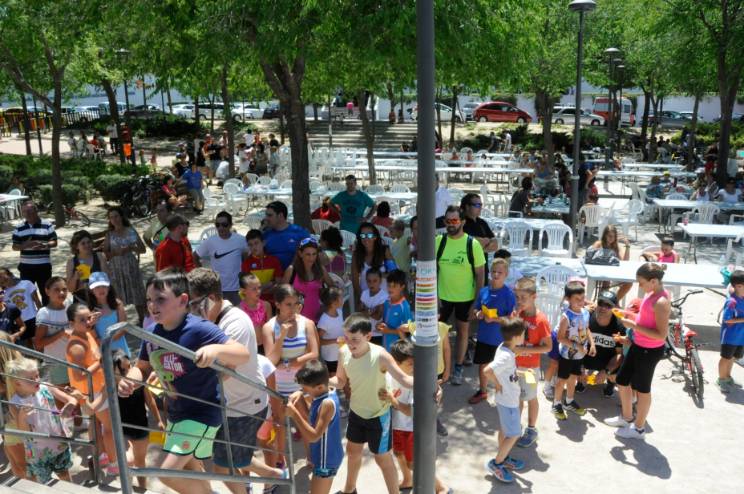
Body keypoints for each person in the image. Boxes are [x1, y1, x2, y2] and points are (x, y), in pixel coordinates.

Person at [117, 269, 251, 494]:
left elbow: (242, 353)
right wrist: (130, 380)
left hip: (202, 413)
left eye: (160, 299)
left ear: (182, 300)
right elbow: (142, 368)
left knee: (168, 473)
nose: (152, 305)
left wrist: (215, 349)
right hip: (176, 414)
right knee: (192, 469)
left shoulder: (199, 328)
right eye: (149, 300)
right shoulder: (151, 333)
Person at [187, 268, 286, 491]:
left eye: (194, 304)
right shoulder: (211, 319)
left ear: (212, 298)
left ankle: (273, 476)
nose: (191, 311)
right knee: (227, 456)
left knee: (223, 466)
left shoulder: (235, 323)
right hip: (228, 403)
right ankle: (275, 475)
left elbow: (224, 371)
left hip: (245, 405)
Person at [330, 313, 414, 494]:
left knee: (382, 459)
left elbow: (405, 379)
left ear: (368, 336)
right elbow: (341, 381)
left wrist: (431, 385)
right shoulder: (343, 352)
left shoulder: (380, 355)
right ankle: (349, 489)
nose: (349, 343)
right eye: (346, 338)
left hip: (379, 416)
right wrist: (324, 380)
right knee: (353, 453)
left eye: (355, 339)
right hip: (356, 413)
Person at [605, 263, 671, 439]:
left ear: (653, 281)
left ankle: (639, 429)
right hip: (638, 345)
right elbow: (646, 319)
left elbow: (661, 335)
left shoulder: (662, 302)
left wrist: (634, 326)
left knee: (642, 390)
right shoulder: (650, 294)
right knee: (622, 380)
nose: (639, 286)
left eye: (641, 283)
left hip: (649, 351)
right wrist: (628, 315)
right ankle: (627, 418)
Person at [379, 339, 451, 494]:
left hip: (411, 428)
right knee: (399, 454)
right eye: (410, 364)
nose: (415, 367)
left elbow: (413, 412)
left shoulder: (416, 383)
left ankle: (441, 487)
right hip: (396, 426)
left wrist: (393, 401)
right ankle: (407, 480)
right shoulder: (388, 376)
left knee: (416, 463)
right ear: (395, 364)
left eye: (415, 363)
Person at [64, 302, 119, 475]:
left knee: (95, 424)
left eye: (89, 318)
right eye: (82, 320)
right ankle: (114, 463)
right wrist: (101, 361)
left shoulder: (85, 332)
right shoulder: (77, 347)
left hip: (92, 389)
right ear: (72, 323)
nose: (88, 322)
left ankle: (101, 455)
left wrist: (90, 321)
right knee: (109, 428)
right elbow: (79, 375)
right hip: (93, 391)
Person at [436, 205, 486, 385]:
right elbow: (431, 270)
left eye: (455, 220)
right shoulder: (438, 241)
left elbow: (480, 275)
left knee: (462, 332)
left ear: (463, 222)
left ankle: (457, 367)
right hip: (442, 298)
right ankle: (440, 368)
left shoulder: (472, 244)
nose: (451, 224)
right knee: (438, 333)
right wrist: (434, 297)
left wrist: (476, 302)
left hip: (466, 298)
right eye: (447, 220)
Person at [7, 358, 77, 483]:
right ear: (18, 383)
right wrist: (22, 416)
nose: (36, 380)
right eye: (31, 379)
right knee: (45, 483)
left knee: (65, 475)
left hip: (58, 443)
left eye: (37, 375)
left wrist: (70, 405)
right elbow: (23, 431)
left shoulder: (46, 387)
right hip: (37, 452)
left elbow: (71, 399)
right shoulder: (14, 403)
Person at [285, 359, 343, 494]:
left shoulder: (327, 404)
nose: (304, 391)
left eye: (305, 389)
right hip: (323, 457)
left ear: (320, 387)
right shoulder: (322, 394)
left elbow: (314, 436)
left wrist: (295, 414)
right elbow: (312, 419)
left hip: (326, 461)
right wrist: (300, 398)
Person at [483, 317, 527, 484]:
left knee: (505, 430)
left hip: (507, 400)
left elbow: (505, 371)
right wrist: (497, 383)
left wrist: (519, 373)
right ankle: (496, 463)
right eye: (523, 334)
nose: (524, 336)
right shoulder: (507, 356)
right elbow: (488, 370)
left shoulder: (504, 347)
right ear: (516, 337)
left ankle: (504, 456)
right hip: (508, 401)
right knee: (514, 434)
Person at [112, 350, 163, 489]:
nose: (129, 372)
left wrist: (159, 420)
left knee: (140, 461)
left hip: (140, 427)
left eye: (130, 366)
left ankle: (142, 487)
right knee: (127, 460)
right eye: (123, 370)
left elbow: (150, 401)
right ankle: (127, 486)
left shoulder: (138, 381)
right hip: (121, 429)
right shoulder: (110, 387)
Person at [469, 258, 517, 404]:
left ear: (506, 274)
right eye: (494, 271)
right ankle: (482, 391)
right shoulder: (484, 291)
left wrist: (494, 319)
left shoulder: (509, 294)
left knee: (500, 369)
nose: (496, 274)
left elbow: (512, 319)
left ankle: (501, 394)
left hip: (500, 339)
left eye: (500, 272)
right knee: (483, 365)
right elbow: (476, 309)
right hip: (484, 337)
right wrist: (478, 313)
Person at [512, 278, 551, 448]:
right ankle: (516, 426)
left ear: (534, 297)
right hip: (515, 366)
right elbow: (511, 337)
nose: (519, 301)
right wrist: (513, 320)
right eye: (517, 297)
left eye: (523, 298)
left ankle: (532, 429)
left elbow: (548, 347)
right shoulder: (518, 314)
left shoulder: (541, 320)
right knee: (517, 397)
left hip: (530, 369)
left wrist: (523, 350)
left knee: (530, 397)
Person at [552, 281, 595, 420]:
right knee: (561, 380)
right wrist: (577, 347)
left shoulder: (585, 312)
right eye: (577, 299)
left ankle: (569, 401)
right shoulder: (566, 317)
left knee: (573, 378)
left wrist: (592, 344)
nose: (581, 302)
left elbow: (587, 329)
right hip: (567, 355)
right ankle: (556, 404)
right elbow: (560, 338)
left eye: (582, 298)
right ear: (568, 299)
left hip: (580, 355)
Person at [194, 211, 250, 305]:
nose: (220, 228)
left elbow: (247, 257)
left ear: (230, 225)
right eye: (218, 225)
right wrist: (203, 275)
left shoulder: (241, 240)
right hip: (217, 289)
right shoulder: (210, 241)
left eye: (224, 224)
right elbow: (195, 256)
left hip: (237, 289)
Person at [103, 207, 147, 323]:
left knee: (137, 294)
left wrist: (131, 248)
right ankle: (120, 321)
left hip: (131, 266)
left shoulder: (131, 231)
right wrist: (115, 253)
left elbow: (143, 249)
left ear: (121, 216)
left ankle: (142, 320)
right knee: (117, 296)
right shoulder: (109, 234)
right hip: (116, 268)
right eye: (111, 217)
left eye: (116, 216)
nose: (114, 219)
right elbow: (105, 254)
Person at [12, 201, 57, 305]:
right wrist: (25, 245)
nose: (27, 213)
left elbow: (54, 242)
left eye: (30, 210)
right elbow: (14, 247)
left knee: (46, 293)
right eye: (24, 211)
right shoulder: (19, 227)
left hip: (43, 267)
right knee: (27, 294)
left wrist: (46, 245)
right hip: (26, 267)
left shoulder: (47, 224)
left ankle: (47, 312)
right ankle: (32, 313)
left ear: (36, 211)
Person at [583, 290, 626, 397]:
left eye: (608, 305)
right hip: (587, 357)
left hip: (607, 361)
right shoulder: (586, 316)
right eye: (601, 303)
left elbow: (619, 355)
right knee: (571, 360)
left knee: (621, 367)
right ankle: (581, 380)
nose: (603, 307)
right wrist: (579, 367)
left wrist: (606, 371)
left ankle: (610, 384)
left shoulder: (619, 326)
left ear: (614, 307)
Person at [283, 238, 335, 323]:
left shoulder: (320, 269)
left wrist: (326, 306)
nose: (311, 258)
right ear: (300, 254)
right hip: (295, 321)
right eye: (308, 254)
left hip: (318, 319)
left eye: (314, 254)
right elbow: (281, 295)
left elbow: (333, 288)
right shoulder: (291, 270)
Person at [34, 277, 70, 387]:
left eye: (64, 289)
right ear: (47, 291)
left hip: (74, 359)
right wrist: (61, 333)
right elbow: (38, 344)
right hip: (56, 363)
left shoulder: (70, 305)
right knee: (63, 394)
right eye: (57, 290)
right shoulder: (44, 313)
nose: (62, 293)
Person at [351, 222, 397, 305]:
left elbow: (395, 273)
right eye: (363, 235)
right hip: (366, 298)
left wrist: (380, 275)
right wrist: (362, 298)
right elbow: (355, 280)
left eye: (369, 235)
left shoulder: (384, 251)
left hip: (385, 299)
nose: (366, 238)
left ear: (375, 237)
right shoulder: (356, 254)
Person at [87, 272, 130, 357]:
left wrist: (108, 340)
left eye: (104, 286)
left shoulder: (117, 304)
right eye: (97, 287)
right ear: (91, 291)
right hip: (102, 350)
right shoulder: (89, 310)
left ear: (109, 287)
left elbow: (124, 327)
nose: (101, 289)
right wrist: (91, 324)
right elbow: (91, 332)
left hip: (120, 348)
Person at [0, 332, 25, 478]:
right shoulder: (17, 361)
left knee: (20, 463)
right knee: (17, 458)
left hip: (12, 417)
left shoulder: (14, 367)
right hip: (12, 416)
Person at [262, 201, 312, 270]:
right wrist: (261, 229)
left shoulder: (299, 232)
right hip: (272, 274)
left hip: (295, 273)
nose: (266, 218)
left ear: (280, 216)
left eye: (269, 215)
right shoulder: (265, 234)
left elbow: (312, 254)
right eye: (266, 215)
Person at [0, 268, 41, 348]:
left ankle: (41, 356)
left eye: (5, 279)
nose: (5, 283)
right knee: (28, 344)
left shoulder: (27, 283)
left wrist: (41, 316)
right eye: (1, 282)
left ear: (10, 275)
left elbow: (37, 300)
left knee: (37, 342)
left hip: (33, 317)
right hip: (19, 321)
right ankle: (31, 356)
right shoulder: (4, 294)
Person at [718, 269, 744, 393]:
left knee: (733, 357)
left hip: (741, 336)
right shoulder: (731, 302)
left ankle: (727, 377)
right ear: (737, 286)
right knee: (726, 358)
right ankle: (721, 379)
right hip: (730, 336)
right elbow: (727, 319)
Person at [591, 225, 632, 301]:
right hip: (599, 273)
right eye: (610, 236)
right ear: (605, 235)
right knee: (606, 280)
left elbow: (625, 261)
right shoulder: (599, 244)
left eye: (614, 236)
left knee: (629, 283)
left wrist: (627, 246)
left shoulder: (616, 247)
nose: (612, 238)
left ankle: (614, 301)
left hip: (613, 273)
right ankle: (602, 302)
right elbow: (590, 257)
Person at [242, 229, 284, 301]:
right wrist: (271, 283)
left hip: (273, 302)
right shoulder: (246, 263)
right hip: (255, 303)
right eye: (250, 245)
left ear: (263, 243)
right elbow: (248, 289)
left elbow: (279, 285)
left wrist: (259, 290)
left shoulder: (274, 260)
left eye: (256, 243)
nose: (254, 247)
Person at [65, 230, 109, 296]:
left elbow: (107, 280)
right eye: (83, 243)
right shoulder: (71, 262)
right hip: (81, 297)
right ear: (76, 246)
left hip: (99, 296)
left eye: (89, 242)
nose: (87, 245)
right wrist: (75, 278)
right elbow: (70, 289)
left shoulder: (100, 256)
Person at [238, 272, 273, 353]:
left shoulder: (266, 305)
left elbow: (271, 328)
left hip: (265, 346)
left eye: (259, 287)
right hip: (248, 348)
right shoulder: (239, 310)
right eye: (254, 289)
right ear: (243, 291)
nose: (258, 291)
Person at [377, 269, 411, 351]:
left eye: (394, 286)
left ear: (402, 287)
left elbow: (409, 330)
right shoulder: (386, 302)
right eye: (389, 285)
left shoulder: (404, 306)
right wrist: (380, 325)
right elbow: (386, 322)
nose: (390, 288)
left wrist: (388, 330)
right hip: (385, 346)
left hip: (398, 350)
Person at [461, 193, 499, 266]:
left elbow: (495, 245)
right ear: (467, 207)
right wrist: (486, 241)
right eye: (477, 205)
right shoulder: (460, 223)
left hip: (483, 267)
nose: (480, 208)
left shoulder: (482, 222)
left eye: (481, 205)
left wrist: (479, 250)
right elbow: (466, 244)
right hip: (466, 267)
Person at [317, 287, 345, 375]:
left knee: (343, 376)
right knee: (334, 378)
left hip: (341, 353)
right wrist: (335, 340)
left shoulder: (340, 312)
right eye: (341, 298)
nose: (343, 299)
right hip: (331, 357)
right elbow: (318, 340)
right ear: (333, 303)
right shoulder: (324, 320)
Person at [360, 268, 389, 346]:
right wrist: (373, 310)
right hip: (365, 332)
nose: (371, 284)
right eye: (369, 281)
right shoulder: (364, 293)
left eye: (375, 281)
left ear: (380, 281)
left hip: (378, 334)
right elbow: (360, 312)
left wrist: (366, 310)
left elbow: (378, 316)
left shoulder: (384, 296)